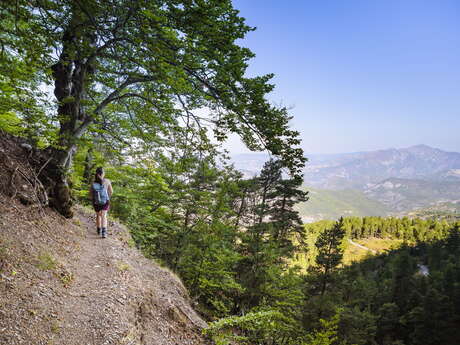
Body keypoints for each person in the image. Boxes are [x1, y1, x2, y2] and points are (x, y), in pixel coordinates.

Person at [89, 167, 113, 238]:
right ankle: (104, 233)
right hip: (105, 201)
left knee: (98, 215)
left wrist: (94, 200)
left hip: (96, 202)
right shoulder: (107, 181)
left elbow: (90, 195)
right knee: (104, 216)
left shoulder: (93, 182)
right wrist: (107, 197)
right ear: (102, 173)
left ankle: (98, 230)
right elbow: (111, 192)